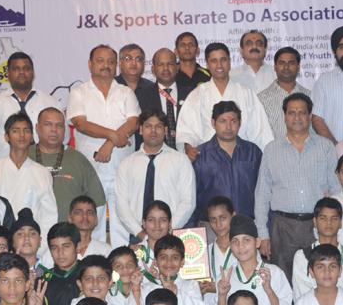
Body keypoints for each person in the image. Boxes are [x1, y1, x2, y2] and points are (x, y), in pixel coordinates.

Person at [254, 93, 341, 281]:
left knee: (319, 279)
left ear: (310, 116)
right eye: (291, 112)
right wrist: (263, 234)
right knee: (283, 282)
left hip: (317, 225)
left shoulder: (326, 147)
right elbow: (262, 195)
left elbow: (337, 191)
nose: (297, 117)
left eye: (302, 112)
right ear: (284, 116)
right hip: (282, 226)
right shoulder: (271, 149)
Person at [68, 44, 142, 246]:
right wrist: (113, 136)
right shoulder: (78, 93)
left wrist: (109, 144)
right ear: (90, 64)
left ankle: (121, 272)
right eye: (100, 61)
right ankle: (96, 271)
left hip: (123, 170)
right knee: (93, 224)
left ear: (116, 66)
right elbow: (81, 124)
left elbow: (133, 122)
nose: (106, 65)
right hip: (93, 171)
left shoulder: (126, 93)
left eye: (110, 61)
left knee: (124, 224)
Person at [177, 42, 274, 160]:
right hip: (209, 159)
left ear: (229, 62)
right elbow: (187, 129)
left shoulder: (245, 92)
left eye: (223, 60)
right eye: (214, 61)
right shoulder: (198, 94)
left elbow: (260, 131)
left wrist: (265, 159)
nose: (219, 65)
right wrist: (188, 146)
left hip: (242, 158)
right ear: (207, 64)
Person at [115, 110, 196, 243]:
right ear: (140, 130)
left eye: (158, 126)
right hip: (138, 236)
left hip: (172, 235)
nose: (153, 130)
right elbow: (121, 203)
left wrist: (168, 230)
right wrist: (140, 233)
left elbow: (188, 201)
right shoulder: (126, 164)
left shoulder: (181, 160)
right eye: (148, 126)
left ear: (165, 131)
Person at [0, 52, 62, 160]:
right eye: (16, 69)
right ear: (8, 73)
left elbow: (64, 136)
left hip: (44, 166)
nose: (21, 72)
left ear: (33, 72)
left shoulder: (51, 103)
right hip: (4, 169)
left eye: (26, 68)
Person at [188, 101, 262, 226]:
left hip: (247, 226)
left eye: (233, 121)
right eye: (223, 121)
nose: (228, 127)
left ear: (240, 122)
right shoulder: (200, 155)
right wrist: (191, 229)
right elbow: (190, 197)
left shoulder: (253, 152)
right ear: (213, 123)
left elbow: (264, 192)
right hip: (211, 227)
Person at [216, 215, 293, 305]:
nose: (241, 246)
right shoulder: (225, 277)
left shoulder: (274, 272)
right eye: (235, 242)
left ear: (257, 242)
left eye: (246, 240)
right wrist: (222, 294)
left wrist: (269, 290)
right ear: (230, 246)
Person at [31, 107, 107, 224]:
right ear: (37, 128)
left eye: (59, 125)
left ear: (65, 130)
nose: (54, 129)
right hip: (31, 236)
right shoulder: (25, 157)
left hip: (71, 236)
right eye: (48, 124)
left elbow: (97, 203)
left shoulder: (78, 159)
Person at [0, 113, 58, 239]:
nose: (22, 135)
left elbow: (49, 214)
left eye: (26, 131)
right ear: (6, 137)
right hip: (0, 239)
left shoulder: (42, 173)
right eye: (16, 131)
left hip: (31, 241)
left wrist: (39, 245)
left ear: (32, 137)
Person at [291, 197, 343, 300]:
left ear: (341, 222)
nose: (329, 223)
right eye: (323, 218)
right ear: (315, 221)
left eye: (334, 218)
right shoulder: (302, 256)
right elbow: (301, 297)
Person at [134, 48, 185, 149]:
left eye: (170, 64)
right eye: (160, 64)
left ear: (177, 68)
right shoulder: (141, 95)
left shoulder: (190, 93)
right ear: (153, 69)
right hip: (154, 154)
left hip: (185, 154)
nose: (165, 68)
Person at [257, 47, 310, 140]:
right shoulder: (261, 99)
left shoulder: (310, 96)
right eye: (282, 63)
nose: (286, 67)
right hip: (273, 153)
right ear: (275, 67)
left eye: (291, 63)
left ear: (298, 67)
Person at [199, 198, 239, 305]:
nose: (218, 224)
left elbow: (248, 280)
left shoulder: (244, 251)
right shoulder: (203, 252)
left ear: (233, 215)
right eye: (213, 219)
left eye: (223, 218)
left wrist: (215, 286)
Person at [37, 223, 83, 305]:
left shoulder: (89, 276)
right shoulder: (42, 280)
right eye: (54, 248)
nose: (60, 253)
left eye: (66, 246)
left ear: (78, 247)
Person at [174, 31, 211, 101]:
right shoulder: (171, 77)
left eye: (191, 45)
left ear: (198, 51)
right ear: (176, 51)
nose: (187, 48)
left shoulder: (209, 75)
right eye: (183, 45)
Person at [11, 209, 42, 274]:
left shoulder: (49, 271)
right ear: (12, 242)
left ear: (40, 241)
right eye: (20, 234)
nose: (27, 237)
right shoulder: (6, 272)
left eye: (32, 233)